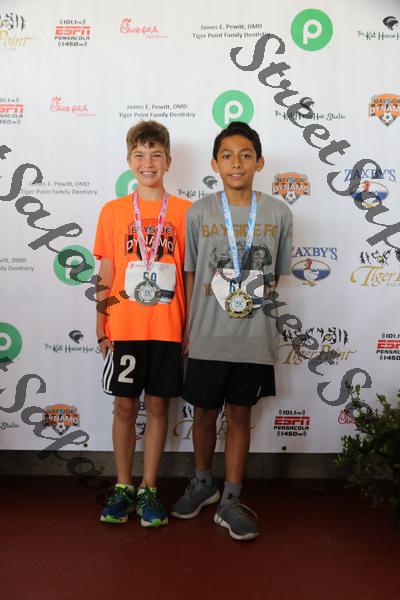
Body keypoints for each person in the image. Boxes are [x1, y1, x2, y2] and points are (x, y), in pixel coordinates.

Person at [171, 121, 293, 540]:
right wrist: (189, 329)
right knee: (204, 414)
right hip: (207, 335)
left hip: (254, 338)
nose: (236, 163)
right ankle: (203, 484)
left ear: (259, 162)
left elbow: (275, 276)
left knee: (240, 416)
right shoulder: (198, 212)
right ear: (214, 164)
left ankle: (231, 499)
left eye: (245, 155)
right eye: (227, 155)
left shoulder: (278, 212)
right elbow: (190, 274)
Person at [94, 120, 191, 527]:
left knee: (158, 406)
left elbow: (188, 274)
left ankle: (149, 487)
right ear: (128, 160)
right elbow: (107, 271)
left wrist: (189, 327)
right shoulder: (113, 211)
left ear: (168, 160)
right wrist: (101, 322)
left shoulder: (185, 212)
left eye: (155, 154)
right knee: (124, 405)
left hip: (167, 326)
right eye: (139, 154)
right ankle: (122, 485)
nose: (147, 162)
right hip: (126, 326)